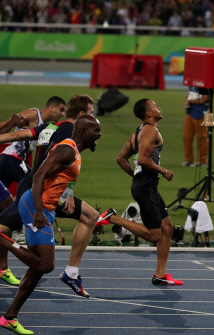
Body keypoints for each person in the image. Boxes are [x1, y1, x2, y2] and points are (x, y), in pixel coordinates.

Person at [0, 115, 101, 335]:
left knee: (36, 269)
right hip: (35, 207)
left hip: (45, 208)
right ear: (84, 132)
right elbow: (38, 178)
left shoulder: (74, 151)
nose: (100, 135)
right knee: (45, 265)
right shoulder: (66, 150)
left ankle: (9, 317)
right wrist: (38, 211)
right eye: (96, 130)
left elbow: (60, 179)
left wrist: (65, 196)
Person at [97, 99, 182, 286]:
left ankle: (160, 274)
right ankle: (113, 218)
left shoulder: (136, 133)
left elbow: (121, 159)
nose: (159, 107)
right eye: (155, 106)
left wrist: (136, 176)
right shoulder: (151, 130)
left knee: (167, 228)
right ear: (149, 113)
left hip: (143, 185)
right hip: (147, 186)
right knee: (154, 235)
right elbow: (143, 159)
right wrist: (163, 171)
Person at [0, 96, 66, 189]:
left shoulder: (46, 126)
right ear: (52, 107)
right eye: (61, 110)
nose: (63, 114)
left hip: (9, 160)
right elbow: (5, 124)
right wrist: (12, 122)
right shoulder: (33, 114)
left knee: (3, 199)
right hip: (12, 159)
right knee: (38, 187)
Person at [181, 87, 209, 168]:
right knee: (186, 136)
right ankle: (188, 160)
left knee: (202, 137)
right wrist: (187, 100)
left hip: (202, 112)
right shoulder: (192, 84)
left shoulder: (205, 85)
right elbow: (189, 93)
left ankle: (202, 160)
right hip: (190, 111)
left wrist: (189, 101)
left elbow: (203, 99)